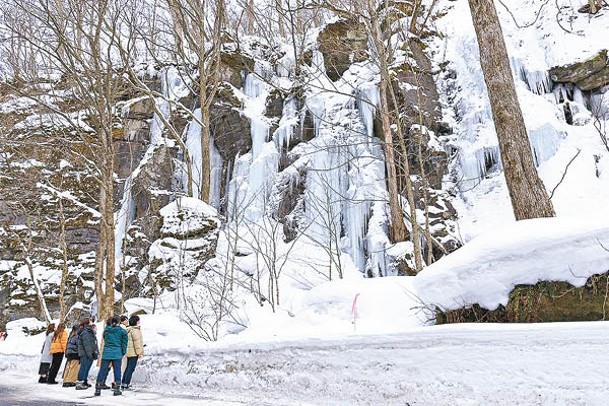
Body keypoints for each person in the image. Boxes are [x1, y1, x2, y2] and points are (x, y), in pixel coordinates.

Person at [94, 316, 128, 396]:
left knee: (102, 370)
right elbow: (124, 343)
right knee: (117, 371)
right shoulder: (122, 331)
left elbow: (105, 338)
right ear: (119, 322)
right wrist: (123, 352)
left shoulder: (106, 330)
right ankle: (116, 389)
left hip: (106, 353)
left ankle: (98, 388)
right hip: (117, 353)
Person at [75, 318, 99, 390]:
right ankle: (79, 383)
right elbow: (87, 344)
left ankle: (84, 381)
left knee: (86, 367)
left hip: (87, 352)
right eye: (90, 321)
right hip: (85, 353)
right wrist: (90, 354)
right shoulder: (86, 332)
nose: (92, 322)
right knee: (83, 367)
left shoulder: (88, 331)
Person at [121, 315, 144, 390]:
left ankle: (123, 383)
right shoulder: (135, 330)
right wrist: (139, 353)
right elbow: (137, 343)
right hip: (134, 352)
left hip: (129, 352)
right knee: (131, 369)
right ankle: (126, 384)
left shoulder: (129, 329)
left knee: (128, 368)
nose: (139, 321)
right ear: (136, 321)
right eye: (139, 320)